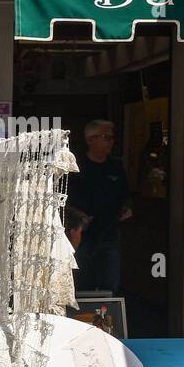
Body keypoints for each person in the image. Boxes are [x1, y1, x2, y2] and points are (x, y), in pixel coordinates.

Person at [67, 119, 131, 294]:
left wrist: (126, 208)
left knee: (110, 286)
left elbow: (125, 195)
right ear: (90, 140)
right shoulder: (76, 167)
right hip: (81, 236)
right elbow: (64, 199)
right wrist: (76, 216)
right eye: (106, 137)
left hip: (109, 235)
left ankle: (107, 321)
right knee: (81, 286)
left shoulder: (116, 167)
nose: (111, 141)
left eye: (112, 137)